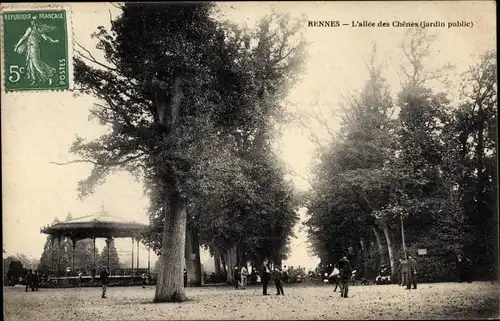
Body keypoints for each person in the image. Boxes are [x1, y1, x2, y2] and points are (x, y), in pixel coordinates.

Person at [13, 16, 59, 86]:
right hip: (29, 48)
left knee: (36, 63)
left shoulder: (39, 29)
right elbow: (23, 38)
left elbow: (46, 38)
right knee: (30, 64)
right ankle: (34, 80)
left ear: (36, 22)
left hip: (34, 48)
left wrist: (53, 41)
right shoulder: (30, 29)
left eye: (34, 21)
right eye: (32, 21)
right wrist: (17, 46)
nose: (33, 22)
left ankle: (49, 75)